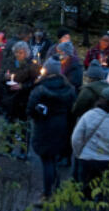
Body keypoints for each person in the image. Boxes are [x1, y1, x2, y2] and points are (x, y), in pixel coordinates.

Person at [28, 55, 75, 203]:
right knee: (53, 159)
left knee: (47, 160)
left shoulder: (40, 89)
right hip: (62, 126)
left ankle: (48, 194)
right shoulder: (69, 88)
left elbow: (30, 109)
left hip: (45, 127)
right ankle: (55, 188)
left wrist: (38, 114)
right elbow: (72, 109)